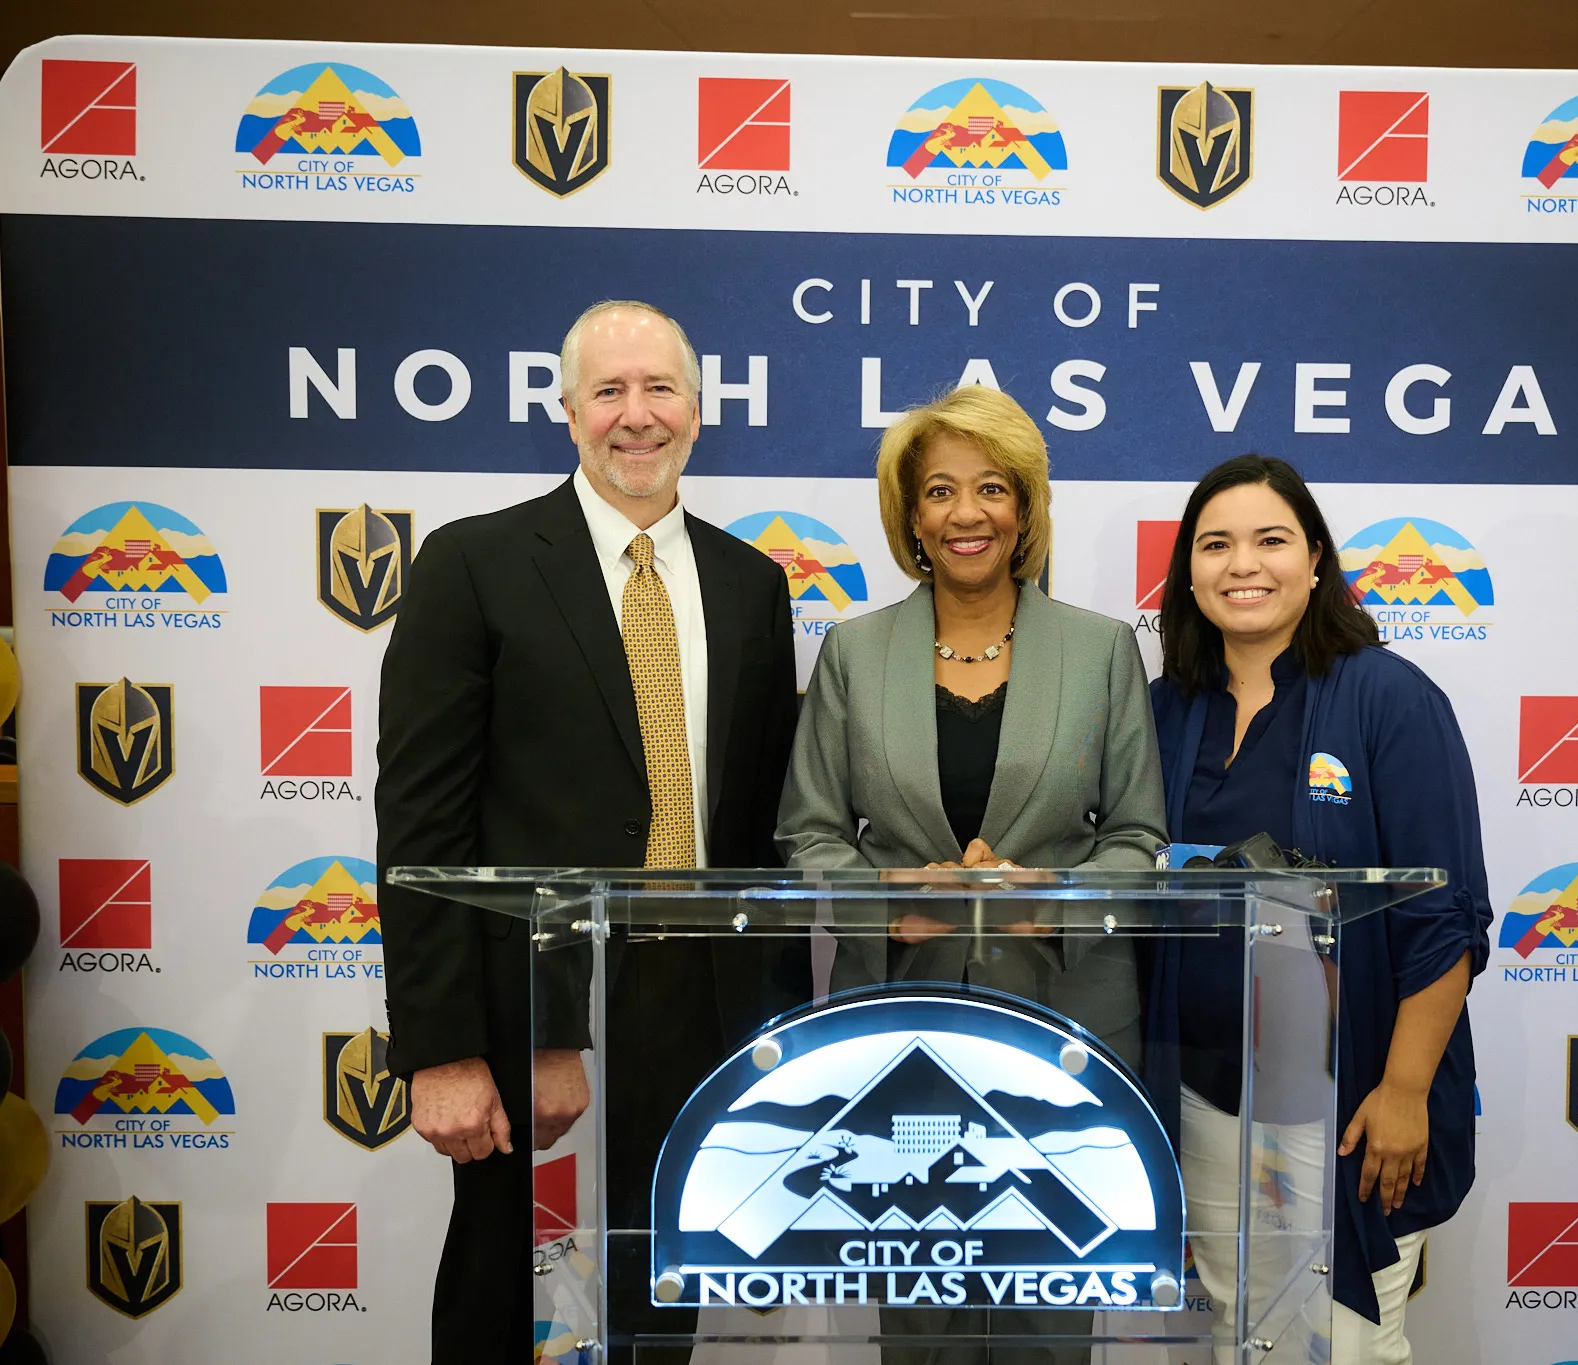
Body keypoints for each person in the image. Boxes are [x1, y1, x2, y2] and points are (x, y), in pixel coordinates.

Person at [377, 300, 800, 1363]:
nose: (636, 415)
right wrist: (442, 1049)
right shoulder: (472, 563)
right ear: (567, 412)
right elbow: (421, 826)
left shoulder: (752, 585)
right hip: (523, 1004)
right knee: (495, 1281)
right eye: (608, 391)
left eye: (659, 388)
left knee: (662, 1282)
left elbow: (763, 826)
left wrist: (775, 1035)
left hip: (698, 993)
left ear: (697, 409)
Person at [774, 384, 1168, 1364]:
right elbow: (808, 831)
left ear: (1024, 509)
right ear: (910, 516)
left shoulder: (1101, 649)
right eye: (940, 490)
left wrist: (1049, 906)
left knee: (1049, 1315)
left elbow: (1137, 835)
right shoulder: (854, 652)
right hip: (900, 1018)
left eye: (991, 488)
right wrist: (890, 905)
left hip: (1062, 1026)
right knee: (919, 1322)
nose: (966, 513)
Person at [1144, 455, 1491, 1365]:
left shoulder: (1389, 696)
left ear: (1316, 560)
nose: (1242, 564)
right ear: (1189, 572)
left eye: (1270, 540)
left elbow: (1446, 916)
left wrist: (1404, 1091)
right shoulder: (1166, 711)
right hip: (1206, 1096)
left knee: (1347, 1345)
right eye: (1216, 544)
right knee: (1241, 1335)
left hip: (1349, 1103)